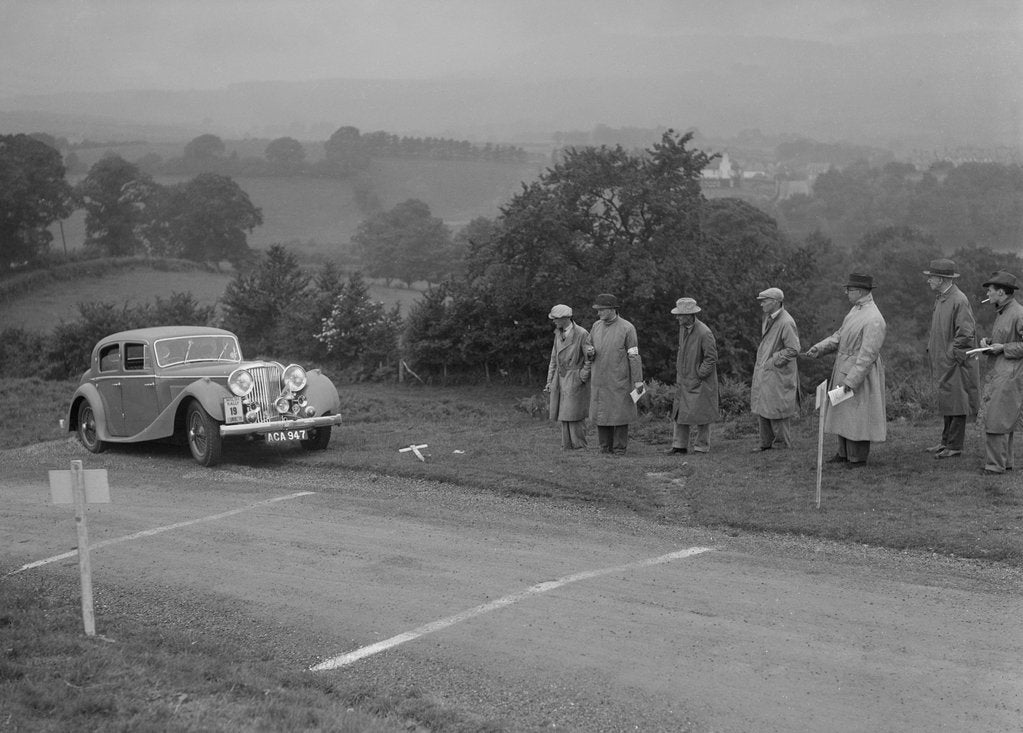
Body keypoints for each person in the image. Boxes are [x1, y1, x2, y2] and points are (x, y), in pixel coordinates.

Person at [805, 273, 887, 468]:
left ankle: (857, 457)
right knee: (842, 411)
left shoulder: (874, 318)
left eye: (849, 290)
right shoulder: (855, 310)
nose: (846, 292)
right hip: (843, 368)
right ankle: (843, 453)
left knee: (857, 415)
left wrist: (851, 381)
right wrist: (820, 348)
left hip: (859, 375)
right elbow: (839, 335)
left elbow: (867, 356)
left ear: (859, 291)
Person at [923, 259, 980, 459]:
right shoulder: (942, 298)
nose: (928, 280)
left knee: (957, 401)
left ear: (941, 279)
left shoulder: (959, 300)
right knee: (948, 400)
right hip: (944, 361)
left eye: (931, 277)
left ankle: (954, 445)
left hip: (954, 362)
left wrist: (952, 355)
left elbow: (965, 333)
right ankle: (945, 442)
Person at [583, 293, 644, 454]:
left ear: (612, 309)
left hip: (619, 379)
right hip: (599, 379)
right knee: (601, 414)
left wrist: (638, 380)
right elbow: (588, 345)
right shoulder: (596, 326)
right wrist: (589, 351)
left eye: (601, 310)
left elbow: (634, 355)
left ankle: (619, 449)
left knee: (620, 414)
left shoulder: (627, 328)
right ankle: (604, 447)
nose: (598, 313)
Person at [978, 270, 1023, 475]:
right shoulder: (1004, 311)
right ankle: (1005, 462)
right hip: (1001, 370)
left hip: (1009, 372)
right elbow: (1005, 338)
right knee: (1001, 417)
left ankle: (995, 466)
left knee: (998, 417)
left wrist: (1003, 348)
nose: (988, 293)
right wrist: (989, 343)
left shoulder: (1018, 313)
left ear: (1002, 292)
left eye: (991, 290)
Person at [750, 287, 800, 451]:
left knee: (778, 408)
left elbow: (793, 349)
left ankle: (781, 444)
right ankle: (765, 443)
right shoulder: (768, 318)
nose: (761, 304)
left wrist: (774, 361)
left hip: (777, 372)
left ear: (776, 302)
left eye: (764, 301)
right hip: (767, 371)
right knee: (764, 405)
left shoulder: (786, 322)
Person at [667, 297, 719, 454]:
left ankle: (702, 446)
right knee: (680, 412)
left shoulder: (705, 332)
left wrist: (700, 374)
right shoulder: (683, 328)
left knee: (703, 414)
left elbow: (711, 358)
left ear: (690, 315)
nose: (677, 317)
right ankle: (679, 446)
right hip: (684, 379)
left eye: (681, 315)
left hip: (700, 381)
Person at [544, 304, 590, 450]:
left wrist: (582, 376)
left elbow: (589, 358)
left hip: (574, 375)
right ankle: (567, 445)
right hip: (560, 377)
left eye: (556, 319)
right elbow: (553, 358)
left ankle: (579, 445)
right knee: (563, 412)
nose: (554, 321)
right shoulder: (558, 333)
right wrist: (550, 380)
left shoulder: (582, 333)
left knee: (574, 412)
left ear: (565, 318)